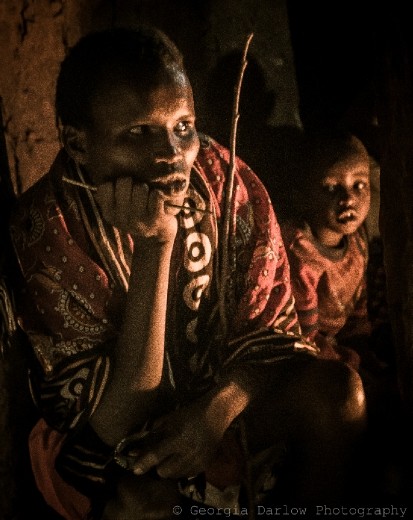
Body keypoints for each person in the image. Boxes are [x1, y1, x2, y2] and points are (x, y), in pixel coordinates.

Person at [9, 27, 366, 519]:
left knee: (341, 395)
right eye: (139, 133)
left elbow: (275, 334)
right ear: (78, 143)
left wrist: (213, 413)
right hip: (120, 432)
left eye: (183, 128)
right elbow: (110, 424)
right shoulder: (49, 229)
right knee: (139, 507)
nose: (171, 156)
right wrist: (157, 244)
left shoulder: (222, 180)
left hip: (223, 401)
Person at [280, 130, 386, 379]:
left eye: (359, 185)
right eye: (331, 187)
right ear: (302, 194)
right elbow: (303, 338)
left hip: (342, 343)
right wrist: (349, 361)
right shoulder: (300, 253)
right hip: (309, 352)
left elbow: (358, 308)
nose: (348, 198)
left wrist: (362, 346)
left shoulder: (358, 238)